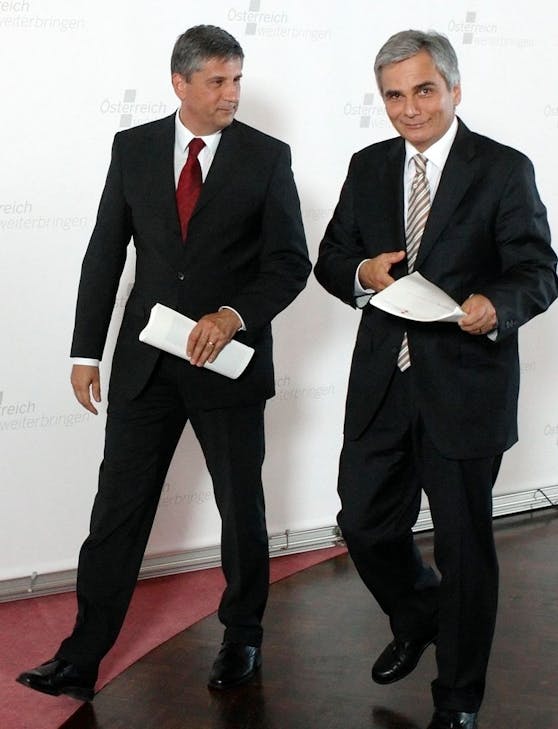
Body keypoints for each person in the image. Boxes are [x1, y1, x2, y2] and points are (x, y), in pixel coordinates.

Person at [17, 24, 310, 701]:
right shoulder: (134, 147)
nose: (232, 93)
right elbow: (104, 252)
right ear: (179, 82)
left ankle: (242, 637)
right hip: (144, 366)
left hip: (226, 362)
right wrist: (85, 351)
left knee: (240, 508)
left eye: (237, 79)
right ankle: (81, 655)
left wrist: (232, 316)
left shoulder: (267, 157)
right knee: (116, 512)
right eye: (218, 81)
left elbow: (289, 262)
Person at [314, 29, 557, 729]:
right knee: (363, 523)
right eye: (394, 95)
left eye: (423, 90)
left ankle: (458, 698)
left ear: (454, 88)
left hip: (465, 387)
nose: (410, 108)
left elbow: (539, 270)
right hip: (383, 384)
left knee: (463, 548)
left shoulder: (503, 169)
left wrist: (496, 306)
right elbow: (332, 259)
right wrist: (362, 273)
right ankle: (420, 613)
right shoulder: (367, 166)